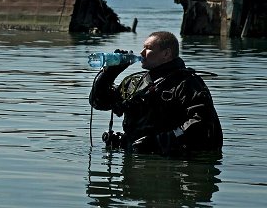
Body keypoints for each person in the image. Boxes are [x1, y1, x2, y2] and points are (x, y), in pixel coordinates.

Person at [89, 31, 223, 155]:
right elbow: (99, 102)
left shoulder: (187, 83)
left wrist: (159, 142)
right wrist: (108, 74)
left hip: (173, 165)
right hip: (135, 165)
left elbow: (202, 123)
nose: (141, 53)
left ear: (166, 53)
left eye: (148, 48)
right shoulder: (135, 83)